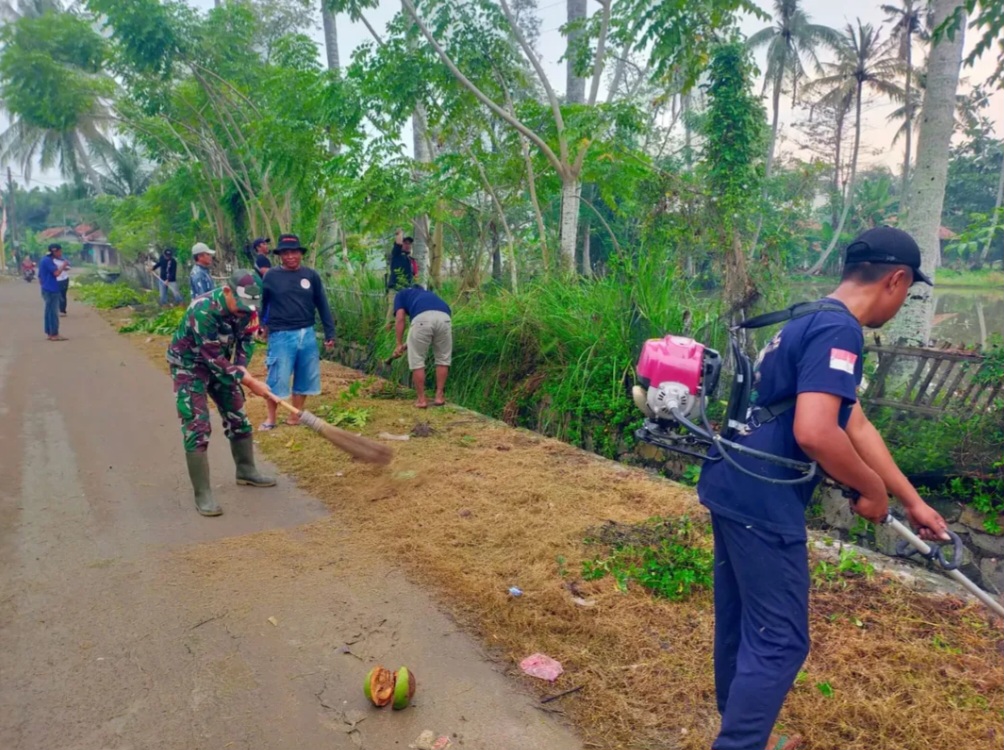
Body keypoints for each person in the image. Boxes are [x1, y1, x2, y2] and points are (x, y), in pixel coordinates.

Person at [696, 226, 951, 750]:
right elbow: (815, 431)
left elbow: (853, 424)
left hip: (733, 481)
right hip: (763, 496)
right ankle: (740, 742)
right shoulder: (841, 332)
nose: (901, 303)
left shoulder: (808, 318)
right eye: (907, 293)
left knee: (745, 622)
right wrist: (870, 490)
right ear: (896, 281)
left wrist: (909, 499)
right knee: (782, 639)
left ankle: (743, 728)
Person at [166, 270, 276, 516]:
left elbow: (248, 338)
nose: (245, 312)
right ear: (227, 291)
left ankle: (246, 470)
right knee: (197, 425)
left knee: (238, 415)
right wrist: (248, 381)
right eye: (240, 307)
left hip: (222, 365)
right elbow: (211, 356)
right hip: (189, 366)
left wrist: (241, 366)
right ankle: (202, 494)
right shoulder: (202, 310)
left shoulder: (248, 306)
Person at [259, 233, 336, 430]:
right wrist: (262, 324)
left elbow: (322, 304)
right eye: (286, 253)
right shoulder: (271, 276)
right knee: (277, 378)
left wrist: (330, 333)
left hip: (307, 333)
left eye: (294, 252)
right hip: (281, 334)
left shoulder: (311, 275)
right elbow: (263, 303)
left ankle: (295, 416)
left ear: (300, 254)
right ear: (280, 255)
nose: (290, 256)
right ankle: (271, 419)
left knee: (305, 377)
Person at [392, 284, 452, 409]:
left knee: (417, 360)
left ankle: (421, 399)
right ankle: (439, 396)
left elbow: (400, 318)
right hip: (444, 318)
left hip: (421, 320)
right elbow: (434, 321)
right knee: (443, 359)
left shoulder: (401, 294)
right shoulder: (428, 295)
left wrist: (398, 343)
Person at [38, 244, 66, 341]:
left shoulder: (44, 260)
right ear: (55, 251)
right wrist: (63, 266)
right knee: (53, 312)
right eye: (60, 251)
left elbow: (40, 277)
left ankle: (50, 333)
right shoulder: (48, 261)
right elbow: (56, 273)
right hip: (52, 289)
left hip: (46, 288)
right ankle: (54, 334)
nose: (60, 253)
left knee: (48, 311)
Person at [55, 251, 71, 316]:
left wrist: (63, 267)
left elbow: (68, 268)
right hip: (55, 279)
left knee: (63, 295)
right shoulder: (50, 261)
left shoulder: (64, 260)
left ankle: (62, 310)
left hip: (64, 279)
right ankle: (57, 309)